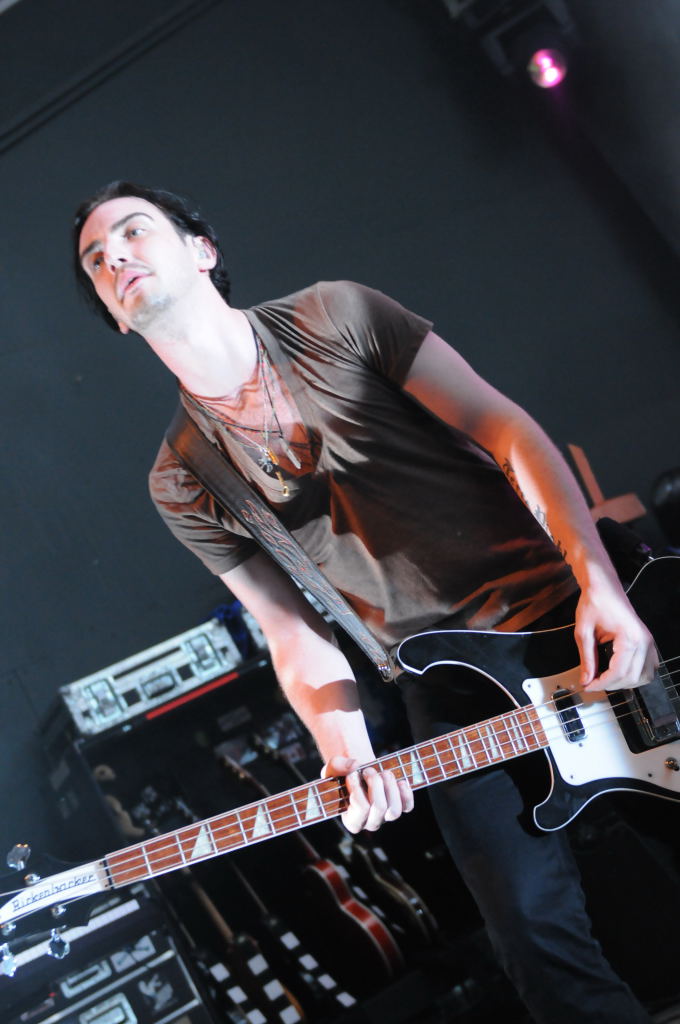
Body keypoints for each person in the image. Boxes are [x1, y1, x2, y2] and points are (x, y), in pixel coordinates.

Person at [73, 181, 657, 1022]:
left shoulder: (335, 313)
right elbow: (291, 631)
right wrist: (345, 751)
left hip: (573, 606)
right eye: (97, 261)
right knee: (534, 938)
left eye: (133, 232)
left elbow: (505, 429)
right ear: (116, 318)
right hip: (447, 686)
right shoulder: (182, 477)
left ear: (202, 250)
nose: (116, 257)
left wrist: (599, 582)